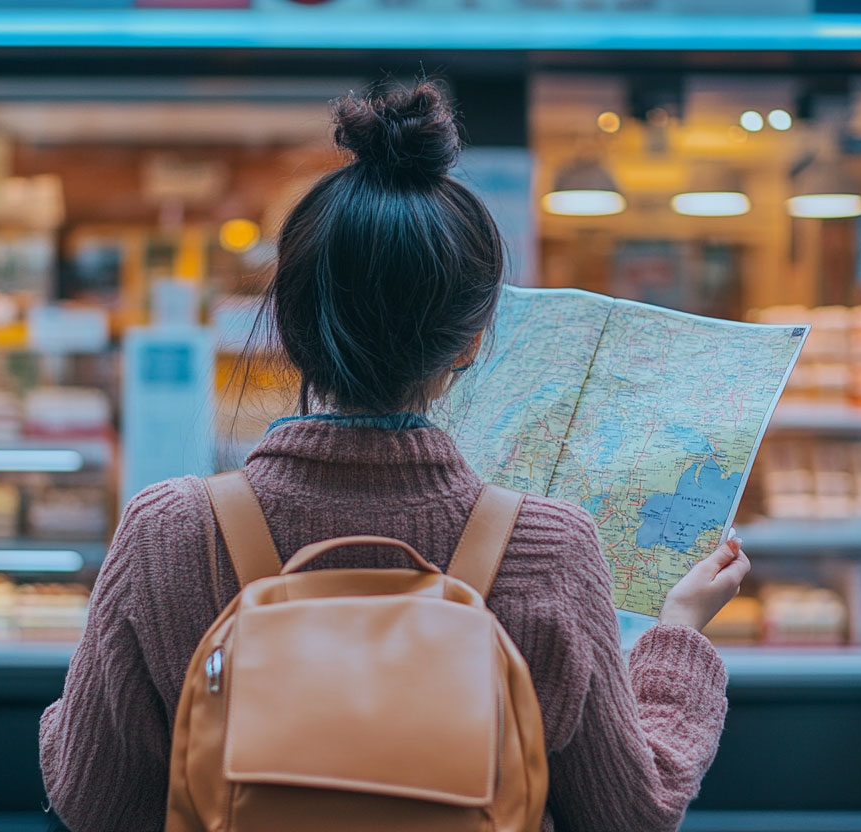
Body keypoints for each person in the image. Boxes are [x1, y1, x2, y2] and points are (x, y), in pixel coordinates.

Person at [39, 81, 749, 832]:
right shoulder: (551, 547)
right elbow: (627, 817)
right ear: (474, 340)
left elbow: (94, 802)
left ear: (283, 320)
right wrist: (677, 636)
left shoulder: (169, 531)